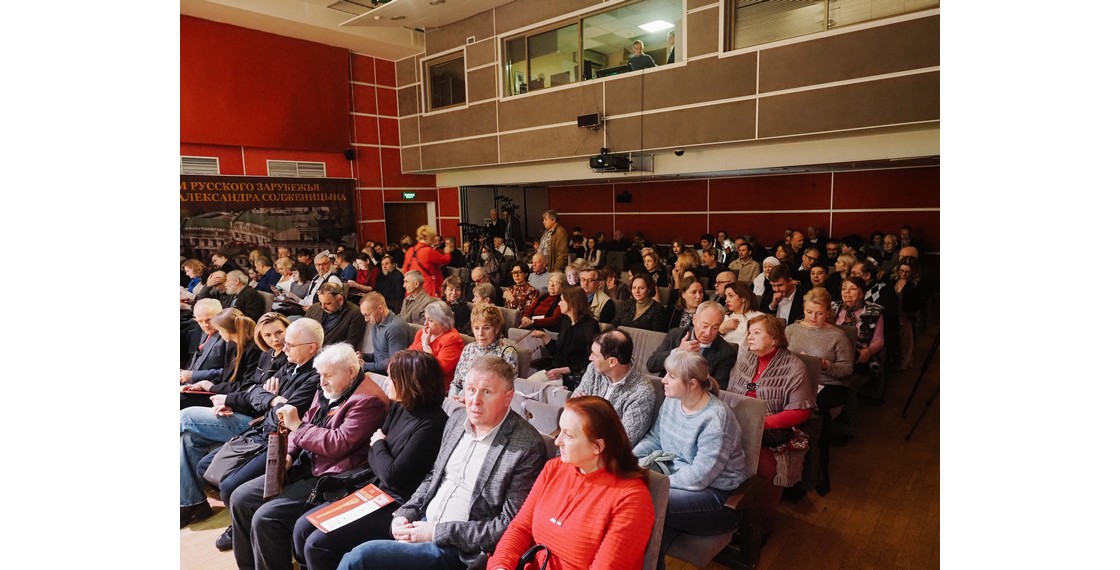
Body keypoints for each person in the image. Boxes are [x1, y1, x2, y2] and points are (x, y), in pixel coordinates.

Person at [335, 356, 548, 570]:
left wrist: (436, 532)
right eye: (471, 390)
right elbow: (433, 477)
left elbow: (508, 525)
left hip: (460, 549)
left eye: (487, 392)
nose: (475, 400)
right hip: (420, 524)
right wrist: (405, 513)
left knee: (359, 558)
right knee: (333, 540)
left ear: (508, 397)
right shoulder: (456, 420)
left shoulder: (526, 446)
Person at [229, 342, 389, 570]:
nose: (322, 382)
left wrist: (297, 426)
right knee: (239, 498)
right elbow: (305, 423)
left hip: (330, 477)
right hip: (304, 463)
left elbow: (337, 444)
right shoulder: (329, 389)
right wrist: (289, 455)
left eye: (328, 375)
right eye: (320, 375)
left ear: (351, 371)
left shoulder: (369, 400)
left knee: (266, 518)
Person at [292, 351, 450, 570]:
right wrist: (379, 449)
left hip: (398, 502)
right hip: (373, 488)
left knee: (317, 544)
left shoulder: (433, 423)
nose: (387, 382)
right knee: (302, 528)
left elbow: (393, 476)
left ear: (410, 383)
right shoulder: (400, 406)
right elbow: (373, 453)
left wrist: (379, 445)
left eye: (392, 378)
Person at [196, 318, 326, 548]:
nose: (283, 347)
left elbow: (285, 414)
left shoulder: (316, 375)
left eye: (290, 344)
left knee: (229, 485)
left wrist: (269, 400)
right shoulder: (290, 364)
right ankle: (241, 517)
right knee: (204, 466)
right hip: (261, 428)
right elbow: (255, 391)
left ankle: (240, 528)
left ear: (311, 348)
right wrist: (272, 399)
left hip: (280, 439)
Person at [488, 396, 654, 570]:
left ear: (597, 446)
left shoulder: (632, 500)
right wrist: (501, 566)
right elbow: (521, 528)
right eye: (560, 430)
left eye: (568, 435)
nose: (557, 441)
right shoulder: (554, 468)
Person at [633, 351, 748, 568]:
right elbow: (656, 438)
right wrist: (632, 460)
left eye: (671, 376)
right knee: (638, 506)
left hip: (718, 496)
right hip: (676, 478)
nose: (663, 380)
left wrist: (654, 481)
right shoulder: (673, 400)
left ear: (692, 384)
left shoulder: (715, 420)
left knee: (644, 502)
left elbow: (699, 476)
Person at [180, 311, 290, 526]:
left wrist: (229, 398)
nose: (274, 339)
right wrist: (231, 401)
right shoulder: (266, 354)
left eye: (279, 332)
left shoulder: (280, 357)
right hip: (241, 408)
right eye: (268, 335)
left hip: (254, 421)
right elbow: (252, 391)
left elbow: (259, 397)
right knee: (188, 439)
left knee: (183, 417)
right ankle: (192, 503)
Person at [726, 314, 816, 535]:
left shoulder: (794, 367)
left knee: (764, 468)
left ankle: (760, 526)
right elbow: (729, 393)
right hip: (739, 423)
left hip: (772, 430)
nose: (750, 336)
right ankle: (726, 519)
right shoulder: (745, 358)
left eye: (757, 333)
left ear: (774, 338)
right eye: (749, 332)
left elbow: (801, 410)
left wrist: (761, 423)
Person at [572, 330, 657, 445]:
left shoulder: (642, 393)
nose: (590, 358)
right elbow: (573, 405)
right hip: (577, 437)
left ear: (612, 362)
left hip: (603, 451)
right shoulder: (594, 369)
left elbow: (624, 440)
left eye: (595, 355)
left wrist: (587, 410)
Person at [180, 307, 264, 409]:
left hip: (233, 399)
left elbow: (246, 385)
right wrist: (203, 385)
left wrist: (212, 387)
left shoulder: (254, 349)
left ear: (226, 331)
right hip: (223, 392)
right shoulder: (232, 345)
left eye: (219, 330)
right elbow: (226, 376)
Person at [647, 301, 738, 389]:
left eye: (715, 328)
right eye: (704, 326)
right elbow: (651, 365)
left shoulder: (726, 352)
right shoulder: (675, 335)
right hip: (667, 390)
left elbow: (718, 388)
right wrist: (678, 351)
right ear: (694, 320)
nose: (708, 333)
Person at [526, 285, 600, 388]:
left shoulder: (590, 326)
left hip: (573, 376)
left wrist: (563, 370)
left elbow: (590, 360)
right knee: (525, 386)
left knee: (532, 388)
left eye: (561, 300)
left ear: (571, 302)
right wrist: (544, 337)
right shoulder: (566, 321)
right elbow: (557, 351)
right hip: (555, 370)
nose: (559, 303)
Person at [450, 304, 519, 397]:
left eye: (486, 328)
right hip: (460, 400)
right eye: (476, 328)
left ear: (497, 328)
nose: (480, 333)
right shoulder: (468, 349)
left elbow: (507, 392)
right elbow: (456, 384)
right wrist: (452, 403)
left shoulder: (507, 353)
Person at [408, 301, 465, 392]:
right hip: (412, 380)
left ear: (444, 322)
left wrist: (426, 346)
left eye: (430, 320)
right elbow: (408, 354)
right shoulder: (422, 332)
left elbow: (437, 370)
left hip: (433, 388)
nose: (425, 323)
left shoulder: (452, 340)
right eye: (425, 319)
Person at [834, 277, 886, 375]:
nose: (847, 292)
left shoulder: (874, 311)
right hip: (834, 354)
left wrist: (868, 351)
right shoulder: (832, 307)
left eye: (853, 289)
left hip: (859, 355)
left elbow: (878, 339)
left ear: (862, 293)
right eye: (844, 288)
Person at [359, 291, 413, 375]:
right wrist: (364, 356)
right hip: (380, 372)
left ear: (380, 309)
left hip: (392, 376)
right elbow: (381, 355)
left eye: (367, 314)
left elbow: (395, 361)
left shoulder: (395, 327)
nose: (366, 319)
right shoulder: (376, 323)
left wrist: (366, 366)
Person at [181, 299, 228, 386]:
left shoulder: (228, 337)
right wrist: (184, 373)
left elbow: (230, 372)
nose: (205, 325)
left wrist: (194, 375)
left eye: (209, 320)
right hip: (190, 384)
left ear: (220, 316)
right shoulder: (204, 332)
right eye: (200, 321)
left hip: (210, 386)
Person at [305, 282, 366, 349]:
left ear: (340, 299)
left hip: (333, 353)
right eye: (321, 302)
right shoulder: (314, 308)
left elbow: (350, 345)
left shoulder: (355, 314)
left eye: (328, 303)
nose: (323, 307)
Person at [403, 224, 454, 297]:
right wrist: (447, 252)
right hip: (427, 289)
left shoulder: (410, 251)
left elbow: (405, 271)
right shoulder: (429, 251)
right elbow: (446, 260)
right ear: (430, 237)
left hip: (411, 291)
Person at [719, 281, 764, 347]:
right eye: (726, 296)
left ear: (743, 298)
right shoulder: (723, 317)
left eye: (731, 296)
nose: (726, 301)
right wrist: (721, 329)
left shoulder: (759, 317)